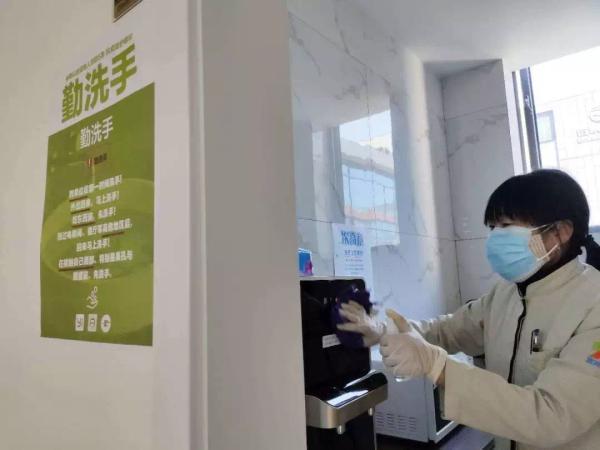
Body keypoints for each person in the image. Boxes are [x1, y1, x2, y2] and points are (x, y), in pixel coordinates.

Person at [338, 169, 600, 450]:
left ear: (560, 232)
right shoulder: (506, 293)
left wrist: (438, 367)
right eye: (493, 227)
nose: (495, 237)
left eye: (506, 225)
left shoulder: (592, 303)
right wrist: (383, 330)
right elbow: (447, 330)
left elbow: (551, 416)